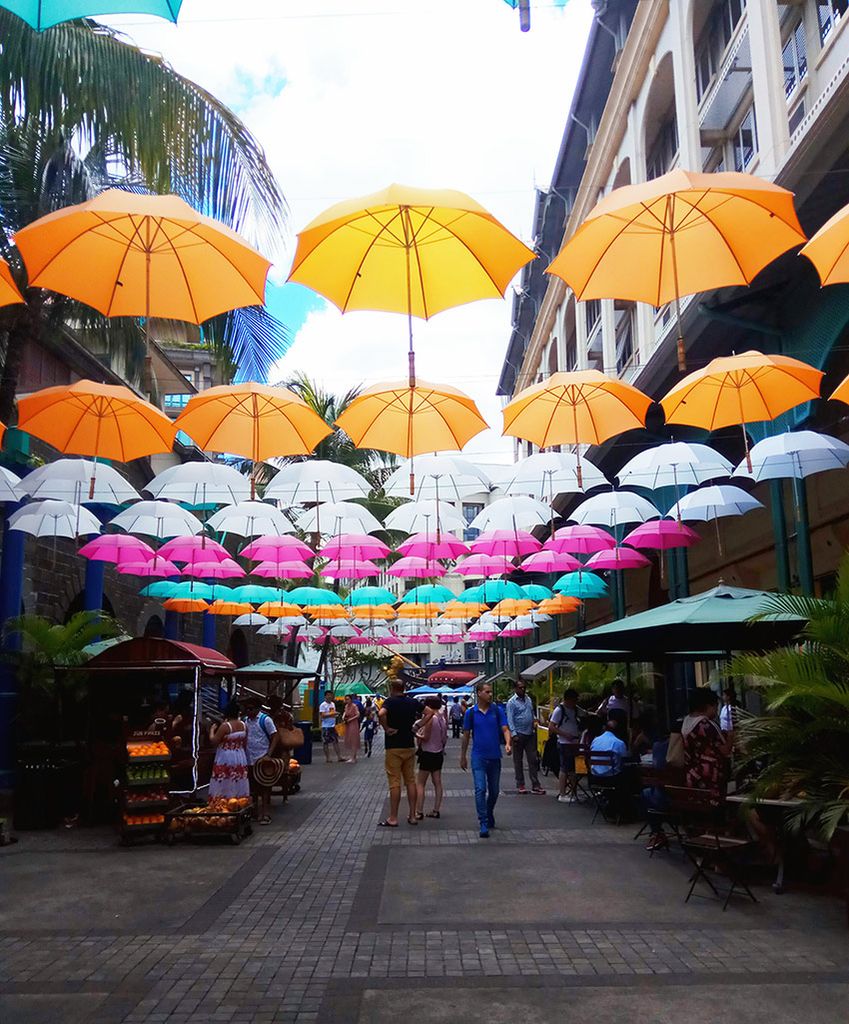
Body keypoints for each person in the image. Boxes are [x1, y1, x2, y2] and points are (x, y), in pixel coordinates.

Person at [460, 682, 511, 838]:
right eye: (487, 692)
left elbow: (505, 728)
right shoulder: (471, 713)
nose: (490, 694)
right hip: (478, 756)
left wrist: (508, 743)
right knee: (480, 789)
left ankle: (488, 812)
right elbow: (466, 735)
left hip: (495, 756)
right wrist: (463, 756)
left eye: (490, 692)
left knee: (494, 791)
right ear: (479, 693)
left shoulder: (497, 710)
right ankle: (483, 821)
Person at [378, 680, 419, 827]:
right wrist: (418, 726)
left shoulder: (389, 702)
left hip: (393, 746)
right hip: (409, 744)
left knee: (395, 782)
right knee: (410, 780)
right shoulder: (412, 702)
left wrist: (386, 727)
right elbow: (428, 713)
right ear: (404, 687)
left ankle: (393, 817)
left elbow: (380, 713)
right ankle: (413, 815)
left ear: (391, 688)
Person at [682, 688, 734, 801]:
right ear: (708, 706)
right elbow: (725, 751)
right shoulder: (707, 725)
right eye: (715, 706)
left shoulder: (685, 723)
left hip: (692, 777)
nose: (716, 710)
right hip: (712, 779)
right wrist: (731, 736)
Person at [243, 696, 279, 824]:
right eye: (246, 709)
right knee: (253, 788)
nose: (248, 711)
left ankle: (265, 813)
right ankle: (255, 812)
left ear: (257, 709)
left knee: (265, 787)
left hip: (262, 758)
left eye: (251, 709)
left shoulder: (265, 720)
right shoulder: (245, 721)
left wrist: (269, 754)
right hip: (249, 759)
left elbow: (275, 736)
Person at [506, 679, 545, 795]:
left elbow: (530, 712)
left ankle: (535, 784)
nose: (523, 689)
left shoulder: (528, 699)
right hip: (518, 734)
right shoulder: (512, 702)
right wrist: (514, 734)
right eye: (520, 688)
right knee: (518, 761)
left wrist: (534, 720)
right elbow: (510, 719)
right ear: (515, 689)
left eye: (524, 687)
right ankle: (521, 784)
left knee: (533, 759)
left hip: (530, 733)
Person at [208, 700, 249, 802]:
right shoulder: (244, 725)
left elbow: (214, 741)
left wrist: (212, 730)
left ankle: (222, 801)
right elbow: (245, 742)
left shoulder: (225, 726)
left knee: (224, 779)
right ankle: (239, 801)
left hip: (226, 756)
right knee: (237, 779)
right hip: (240, 755)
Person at [414, 696, 448, 819]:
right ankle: (436, 810)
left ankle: (419, 811)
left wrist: (417, 734)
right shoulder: (442, 718)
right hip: (438, 753)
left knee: (421, 783)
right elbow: (444, 738)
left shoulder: (430, 719)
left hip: (427, 752)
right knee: (437, 782)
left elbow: (426, 737)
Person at [549, 688, 582, 803]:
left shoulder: (575, 709)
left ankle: (573, 792)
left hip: (574, 743)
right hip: (564, 743)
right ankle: (562, 793)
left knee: (573, 769)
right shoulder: (559, 710)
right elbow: (552, 726)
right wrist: (565, 735)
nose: (575, 702)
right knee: (564, 768)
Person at [319, 693, 348, 764]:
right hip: (326, 726)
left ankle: (339, 757)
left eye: (331, 695)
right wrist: (332, 714)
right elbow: (322, 715)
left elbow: (333, 712)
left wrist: (335, 715)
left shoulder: (332, 704)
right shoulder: (323, 705)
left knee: (335, 741)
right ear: (325, 696)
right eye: (328, 695)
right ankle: (328, 758)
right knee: (326, 742)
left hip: (333, 726)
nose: (330, 697)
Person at [342, 694, 361, 763]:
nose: (347, 701)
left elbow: (358, 714)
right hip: (348, 724)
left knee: (353, 740)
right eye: (346, 699)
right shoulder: (346, 706)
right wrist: (343, 717)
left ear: (351, 699)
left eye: (348, 699)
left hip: (353, 724)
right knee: (349, 739)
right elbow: (345, 712)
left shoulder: (354, 706)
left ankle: (353, 757)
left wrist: (351, 719)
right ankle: (352, 757)